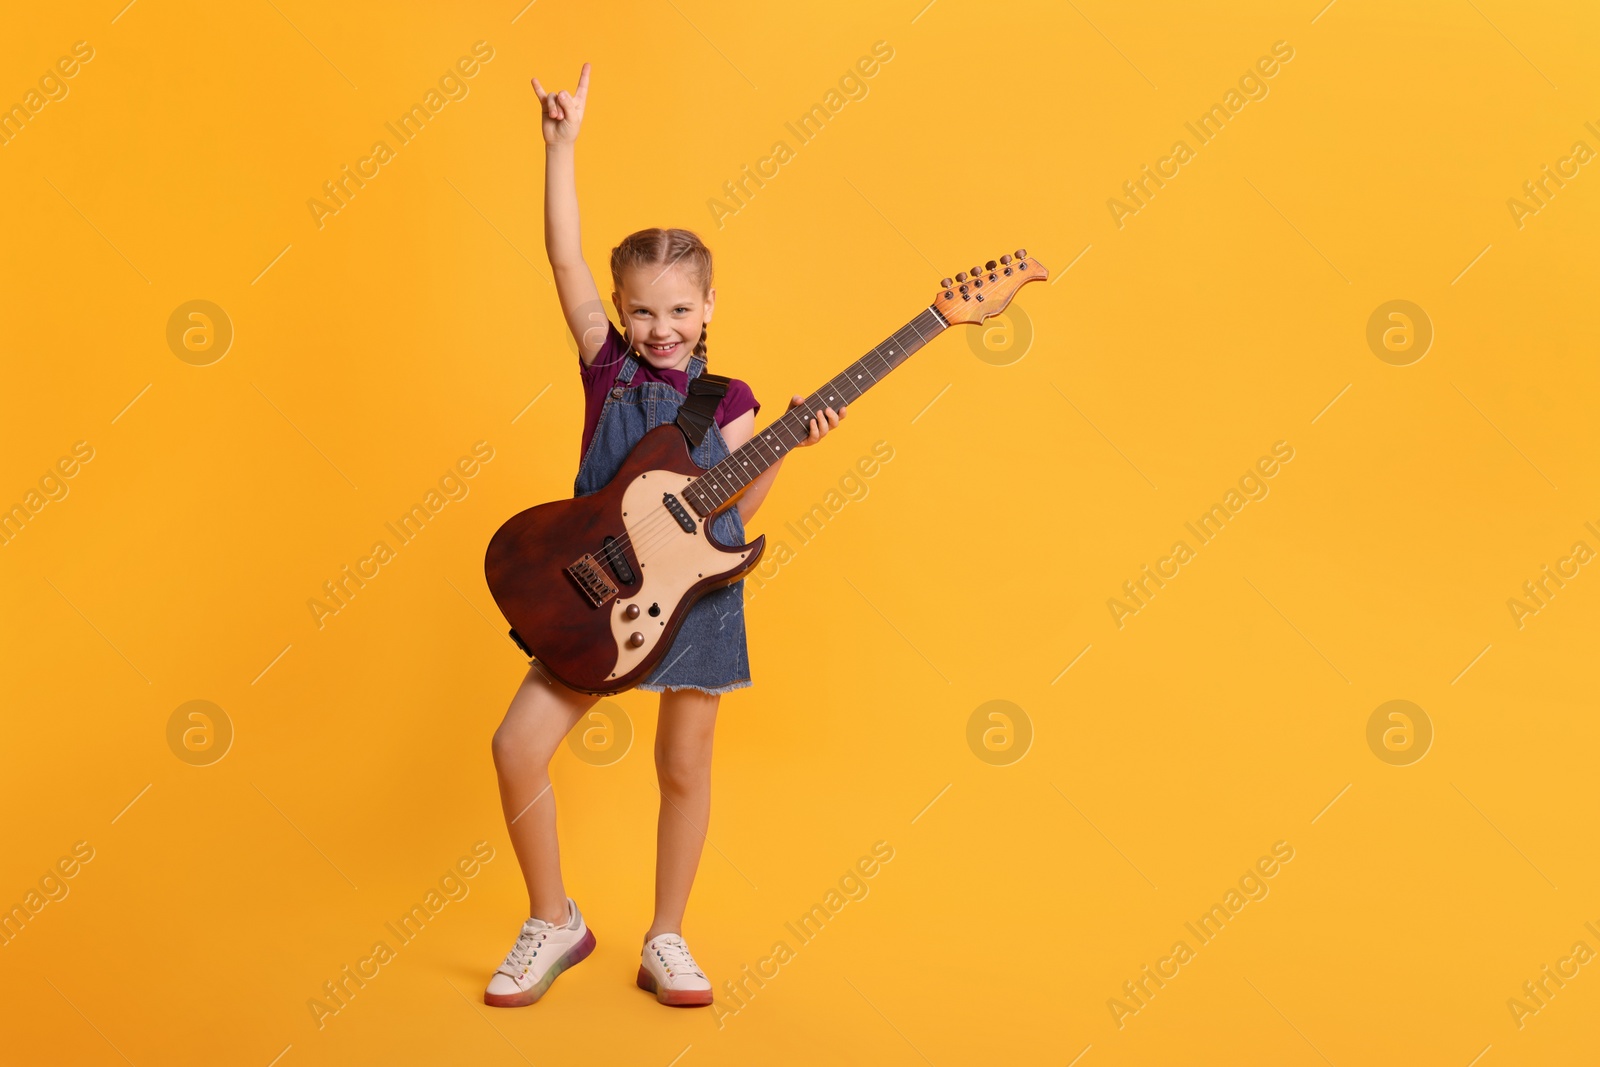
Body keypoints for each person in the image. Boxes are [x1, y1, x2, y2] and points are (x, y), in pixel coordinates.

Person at [483, 62, 846, 1009]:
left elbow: (732, 518)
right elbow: (562, 259)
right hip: (594, 590)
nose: (660, 327)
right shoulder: (606, 367)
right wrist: (561, 147)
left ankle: (666, 936)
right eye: (642, 308)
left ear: (710, 309)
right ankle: (552, 918)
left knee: (683, 765)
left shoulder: (731, 402)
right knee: (516, 745)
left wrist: (787, 447)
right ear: (620, 306)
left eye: (680, 309)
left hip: (698, 597)